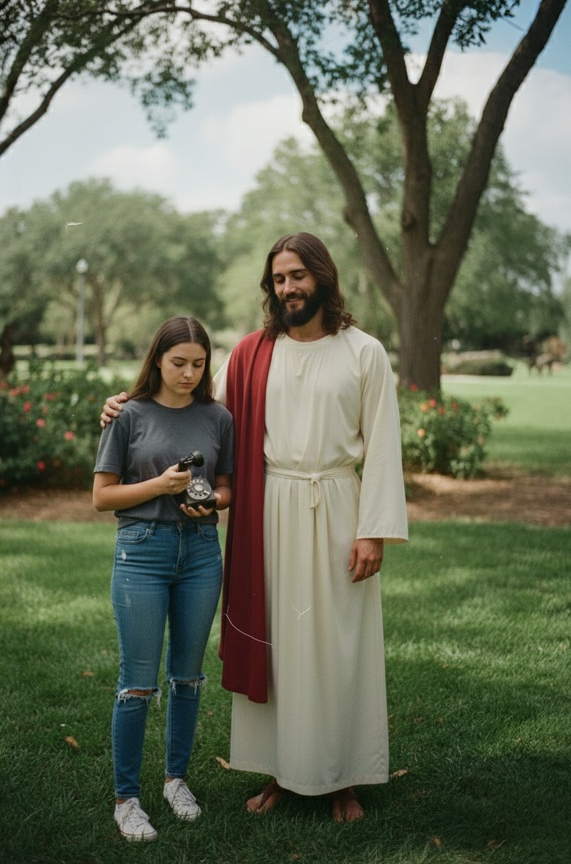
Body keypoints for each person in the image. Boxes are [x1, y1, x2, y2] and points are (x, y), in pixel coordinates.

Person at [102, 233, 407, 822]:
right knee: (281, 645)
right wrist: (123, 405)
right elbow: (192, 408)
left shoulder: (363, 352)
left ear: (322, 276)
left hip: (340, 506)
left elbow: (385, 445)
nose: (287, 287)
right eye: (278, 278)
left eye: (297, 275)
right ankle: (282, 774)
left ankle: (341, 777)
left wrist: (374, 530)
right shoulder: (250, 353)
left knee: (340, 644)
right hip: (268, 511)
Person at [92, 315, 234, 842]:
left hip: (200, 552)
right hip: (143, 553)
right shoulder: (127, 414)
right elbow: (102, 497)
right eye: (179, 363)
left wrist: (208, 504)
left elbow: (227, 489)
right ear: (157, 360)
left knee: (188, 677)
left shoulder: (218, 417)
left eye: (199, 364)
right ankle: (127, 800)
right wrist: (160, 485)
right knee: (137, 683)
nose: (189, 373)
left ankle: (177, 780)